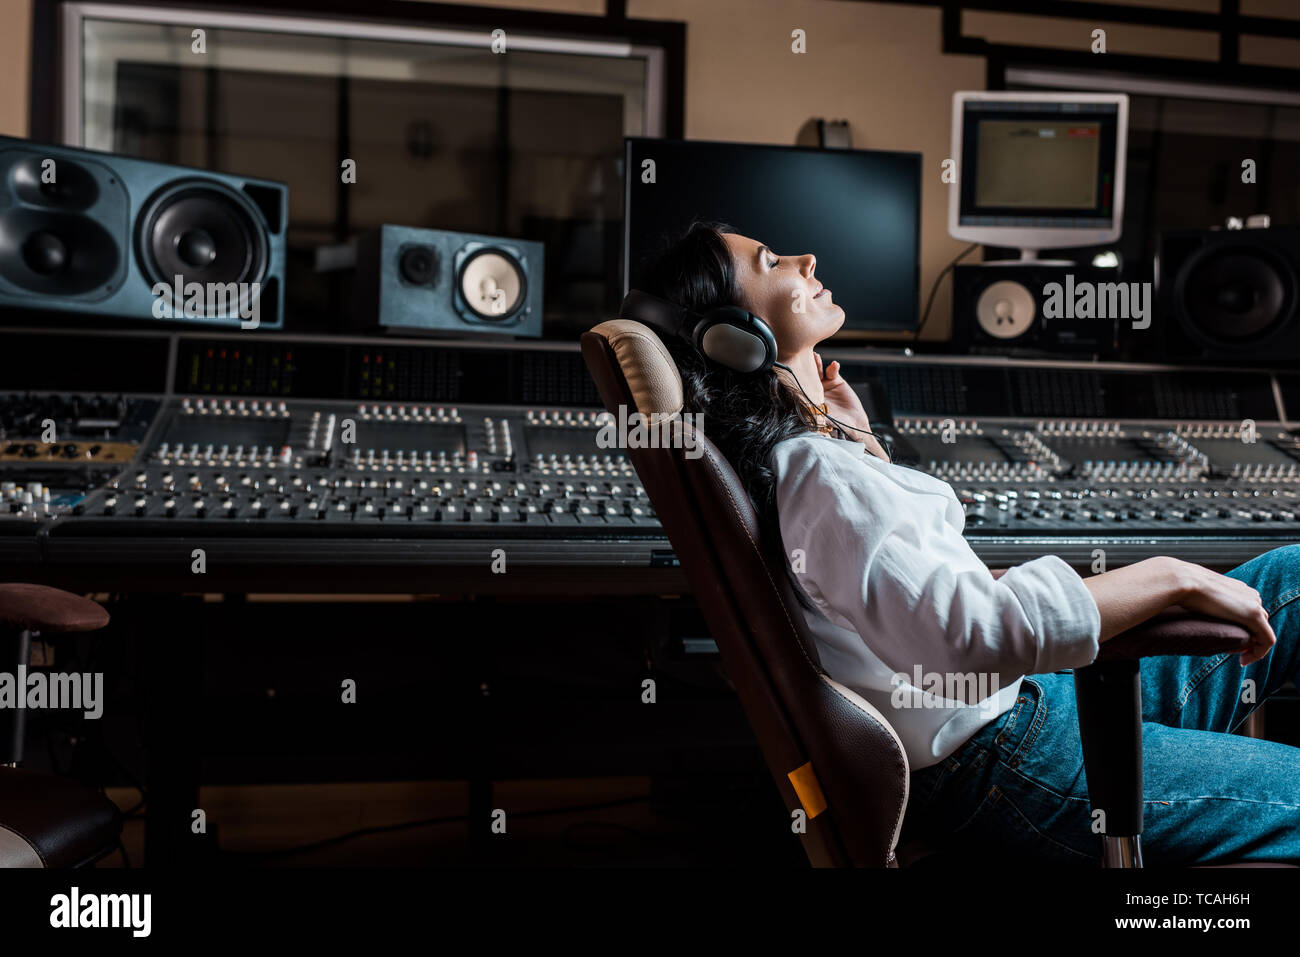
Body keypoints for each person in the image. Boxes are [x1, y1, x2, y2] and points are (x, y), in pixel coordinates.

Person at [638, 220, 1300, 865]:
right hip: (1008, 763)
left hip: (1032, 709)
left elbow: (894, 596)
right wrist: (1170, 575)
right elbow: (970, 638)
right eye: (771, 262)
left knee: (1292, 575)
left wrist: (859, 443)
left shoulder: (813, 459)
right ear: (731, 338)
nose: (805, 259)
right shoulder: (820, 474)